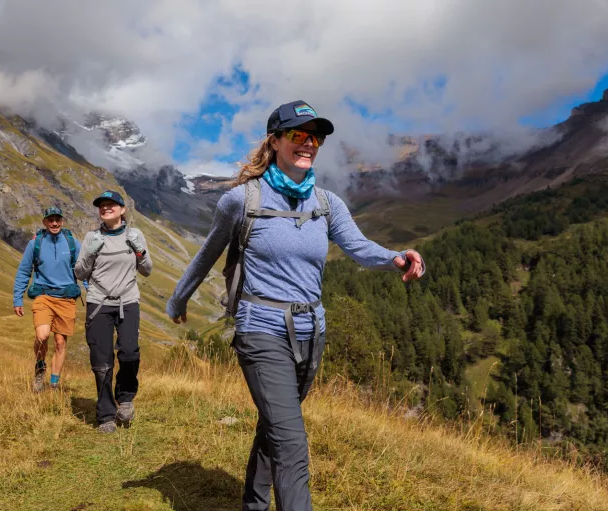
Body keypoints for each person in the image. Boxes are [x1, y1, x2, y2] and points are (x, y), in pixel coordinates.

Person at [166, 100, 426, 511]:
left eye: (315, 137)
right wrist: (178, 300)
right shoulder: (241, 201)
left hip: (311, 334)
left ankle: (254, 504)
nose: (309, 144)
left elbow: (358, 247)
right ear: (275, 140)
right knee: (291, 441)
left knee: (276, 427)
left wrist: (396, 257)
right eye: (298, 135)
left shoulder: (326, 203)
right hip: (260, 329)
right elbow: (206, 255)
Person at [74, 190, 153, 434]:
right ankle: (106, 415)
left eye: (111, 205)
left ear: (122, 209)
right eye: (102, 205)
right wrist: (89, 252)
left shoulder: (135, 235)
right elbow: (80, 273)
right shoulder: (91, 237)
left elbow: (147, 269)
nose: (106, 208)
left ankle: (126, 397)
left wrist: (139, 250)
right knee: (102, 362)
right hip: (99, 303)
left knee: (129, 352)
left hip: (128, 302)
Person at [13, 206, 86, 392]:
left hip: (66, 298)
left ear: (62, 221)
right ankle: (40, 369)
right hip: (43, 296)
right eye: (50, 220)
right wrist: (17, 299)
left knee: (60, 342)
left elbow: (83, 271)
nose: (54, 223)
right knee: (42, 335)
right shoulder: (35, 244)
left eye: (57, 219)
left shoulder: (71, 243)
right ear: (44, 222)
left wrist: (90, 291)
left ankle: (53, 384)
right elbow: (24, 271)